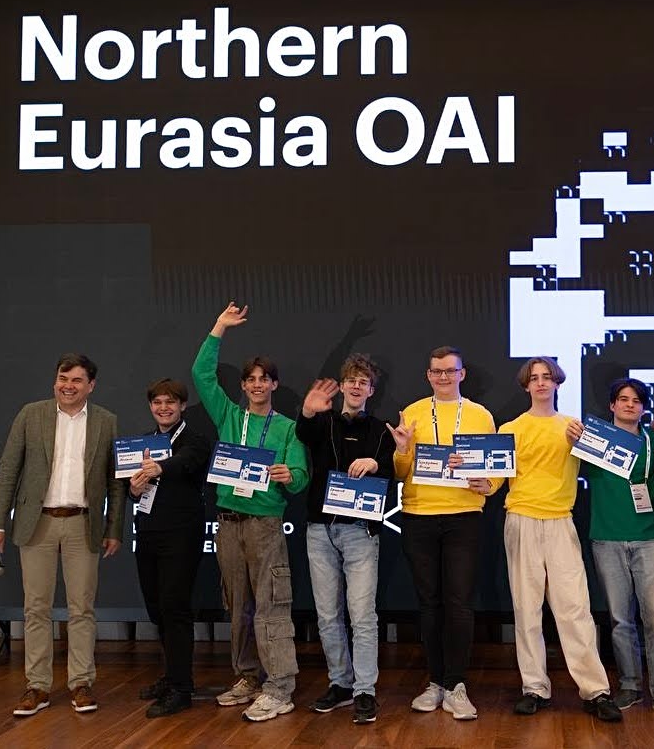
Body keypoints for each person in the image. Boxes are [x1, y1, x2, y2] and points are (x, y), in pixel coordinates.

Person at [0, 354, 124, 717]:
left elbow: (115, 482)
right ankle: (37, 686)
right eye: (63, 378)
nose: (68, 386)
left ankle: (81, 683)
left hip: (82, 523)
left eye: (77, 380)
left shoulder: (106, 421)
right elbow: (8, 470)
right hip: (37, 522)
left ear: (91, 386)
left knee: (82, 608)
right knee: (36, 607)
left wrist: (114, 528)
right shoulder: (31, 415)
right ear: (55, 381)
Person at [192, 303, 310, 722]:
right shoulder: (228, 415)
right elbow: (201, 375)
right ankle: (247, 677)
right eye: (251, 379)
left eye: (265, 379)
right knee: (237, 605)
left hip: (264, 525)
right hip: (228, 523)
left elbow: (300, 478)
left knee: (271, 606)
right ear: (243, 386)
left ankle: (280, 686)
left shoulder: (288, 428)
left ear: (274, 384)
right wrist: (218, 329)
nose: (258, 385)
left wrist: (288, 475)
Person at [492, 356, 622, 723]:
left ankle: (595, 690)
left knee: (575, 609)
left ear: (557, 383)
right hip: (521, 518)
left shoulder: (573, 427)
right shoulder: (510, 428)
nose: (541, 383)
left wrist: (583, 445)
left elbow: (607, 465)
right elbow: (494, 481)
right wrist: (477, 480)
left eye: (547, 377)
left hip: (561, 521)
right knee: (526, 609)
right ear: (526, 385)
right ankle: (534, 688)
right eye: (534, 378)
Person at [386, 345, 495, 720]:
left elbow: (494, 468)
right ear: (428, 375)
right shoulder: (413, 412)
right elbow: (400, 472)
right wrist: (402, 450)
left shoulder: (480, 415)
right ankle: (435, 681)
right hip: (419, 515)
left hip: (464, 515)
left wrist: (490, 485)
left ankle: (456, 684)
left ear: (462, 374)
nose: (443, 377)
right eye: (437, 371)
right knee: (429, 603)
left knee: (459, 603)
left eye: (450, 371)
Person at [567, 378, 654, 719]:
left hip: (649, 538)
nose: (630, 405)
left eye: (636, 400)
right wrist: (573, 441)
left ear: (644, 407)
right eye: (623, 399)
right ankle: (630, 685)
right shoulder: (592, 441)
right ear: (612, 405)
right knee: (620, 620)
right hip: (607, 539)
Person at [296, 354, 395, 725]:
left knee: (362, 615)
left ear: (371, 390)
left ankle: (364, 690)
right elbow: (303, 435)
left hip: (360, 532)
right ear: (341, 387)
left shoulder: (381, 431)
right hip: (320, 530)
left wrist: (376, 464)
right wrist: (307, 412)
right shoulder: (322, 422)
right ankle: (340, 683)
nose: (356, 386)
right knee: (327, 615)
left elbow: (394, 468)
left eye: (363, 382)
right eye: (351, 380)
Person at [127, 378, 212, 718]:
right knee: (157, 608)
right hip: (148, 534)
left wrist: (159, 467)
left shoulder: (195, 440)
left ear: (182, 406)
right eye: (158, 403)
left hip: (181, 536)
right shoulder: (145, 443)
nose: (164, 408)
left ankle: (182, 688)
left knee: (175, 608)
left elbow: (188, 461)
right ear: (151, 406)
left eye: (170, 402)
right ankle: (171, 675)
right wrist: (134, 489)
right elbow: (131, 489)